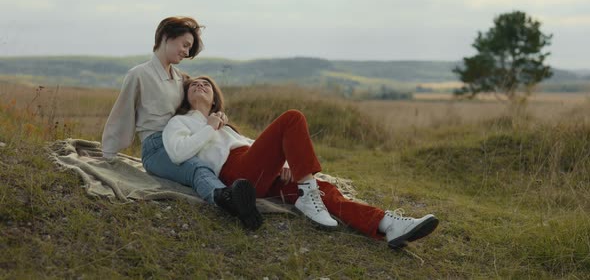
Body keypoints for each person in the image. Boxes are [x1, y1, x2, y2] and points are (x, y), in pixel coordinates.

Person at [162, 76, 439, 249]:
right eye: (194, 85)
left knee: (325, 190)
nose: (200, 86)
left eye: (206, 84)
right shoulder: (180, 122)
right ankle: (308, 194)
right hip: (236, 174)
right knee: (292, 117)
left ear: (214, 98)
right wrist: (209, 126)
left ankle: (387, 225)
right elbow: (177, 153)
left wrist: (284, 164)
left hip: (263, 174)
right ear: (186, 96)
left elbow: (260, 149)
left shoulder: (228, 127)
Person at [101, 17, 262, 230]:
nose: (187, 53)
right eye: (185, 45)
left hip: (183, 139)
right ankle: (225, 197)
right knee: (197, 168)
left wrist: (219, 117)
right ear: (167, 37)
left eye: (190, 48)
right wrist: (109, 154)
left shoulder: (180, 78)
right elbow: (121, 113)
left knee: (210, 164)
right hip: (157, 147)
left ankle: (239, 195)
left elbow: (200, 104)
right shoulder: (139, 74)